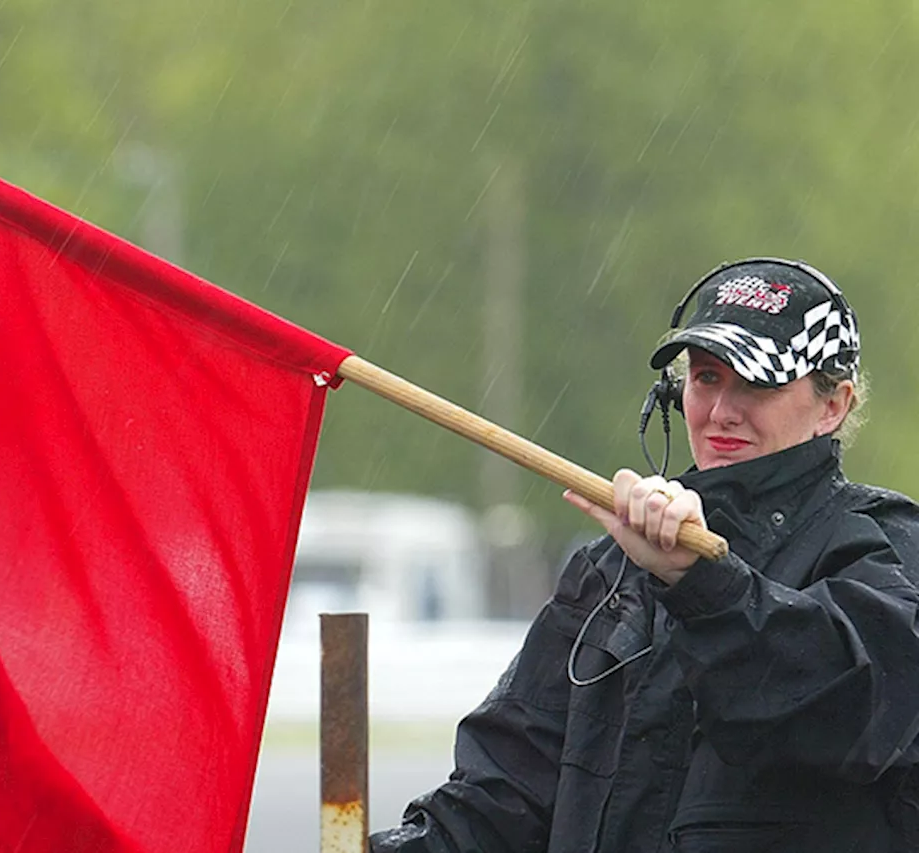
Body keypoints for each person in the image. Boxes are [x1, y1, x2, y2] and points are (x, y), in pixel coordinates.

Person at [370, 257, 919, 853]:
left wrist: (703, 585)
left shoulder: (884, 543)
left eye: (758, 383)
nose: (721, 411)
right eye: (707, 378)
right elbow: (504, 796)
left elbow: (847, 719)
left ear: (832, 406)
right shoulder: (609, 568)